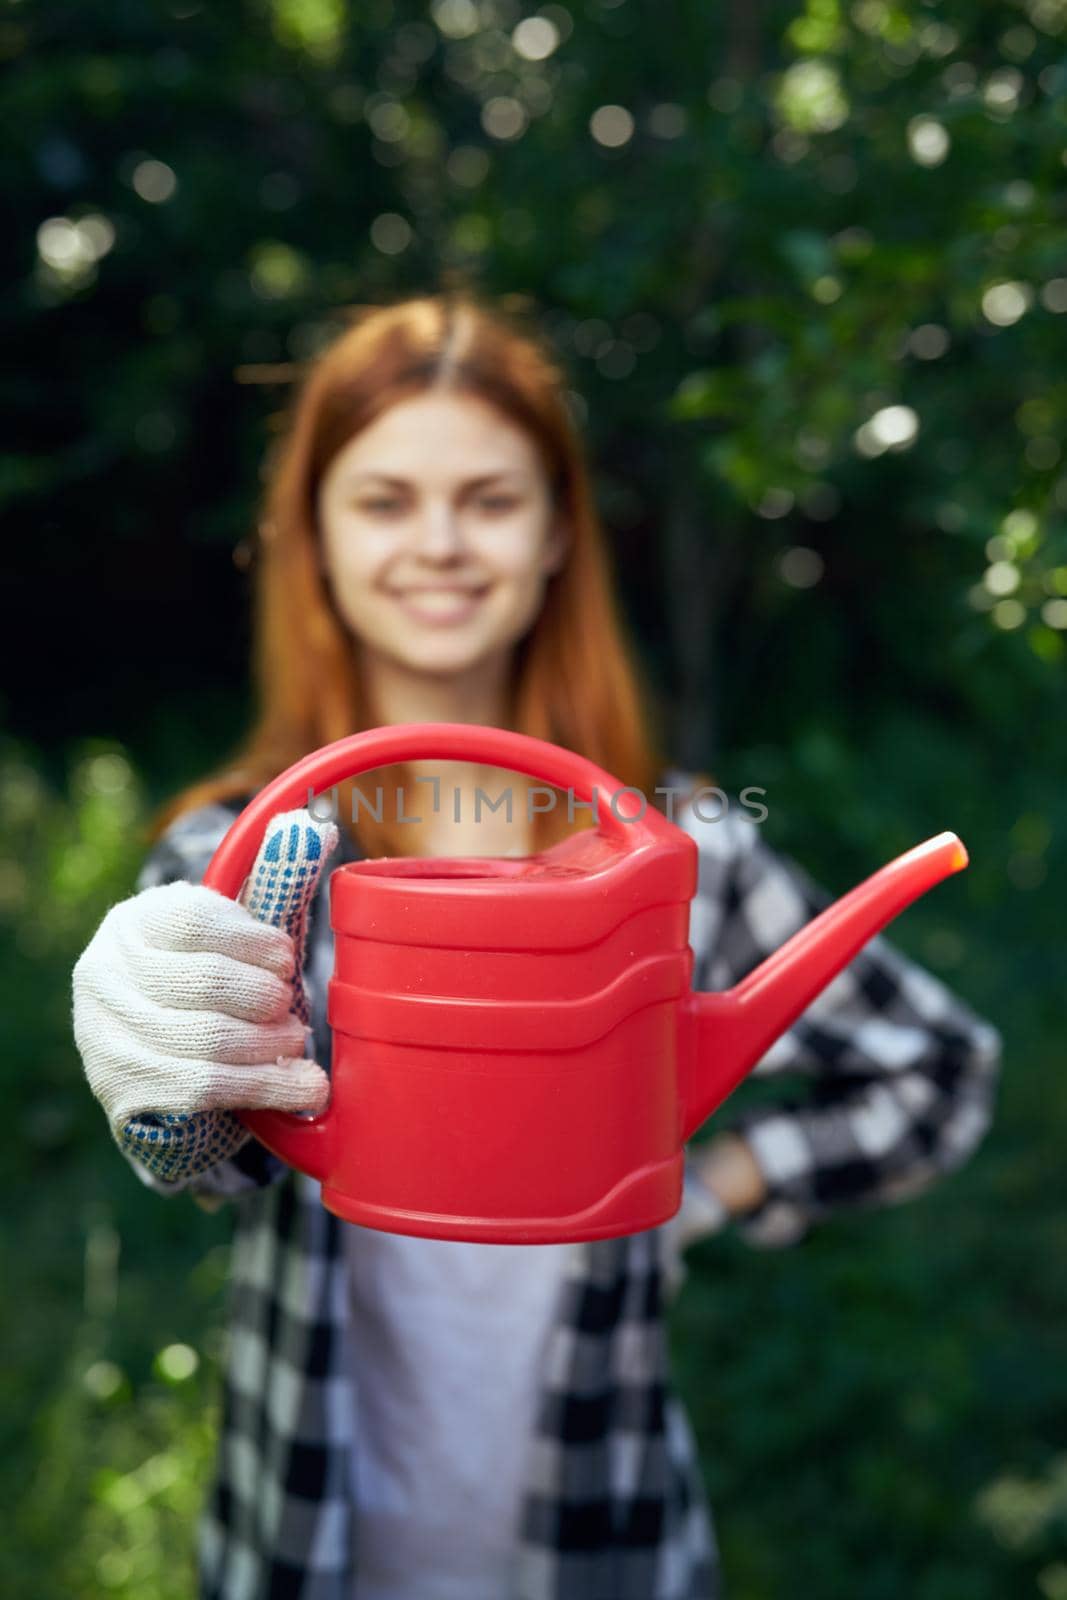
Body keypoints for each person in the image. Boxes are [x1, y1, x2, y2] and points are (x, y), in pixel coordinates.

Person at [71, 290, 1003, 1600]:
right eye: (385, 500)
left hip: (601, 1529)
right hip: (310, 1526)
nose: (441, 543)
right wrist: (158, 1080)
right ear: (314, 544)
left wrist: (717, 1186)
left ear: (561, 532)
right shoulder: (251, 858)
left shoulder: (678, 857)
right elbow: (207, 1156)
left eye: (491, 500)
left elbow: (937, 1068)